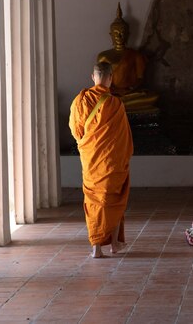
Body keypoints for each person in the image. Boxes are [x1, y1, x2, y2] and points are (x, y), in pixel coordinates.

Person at [69, 62, 134, 258]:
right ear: (111, 78)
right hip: (112, 162)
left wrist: (90, 145)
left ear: (93, 77)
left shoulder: (80, 101)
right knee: (114, 199)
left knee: (94, 201)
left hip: (92, 160)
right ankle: (114, 244)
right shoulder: (115, 104)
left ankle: (96, 247)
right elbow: (124, 138)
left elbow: (76, 131)